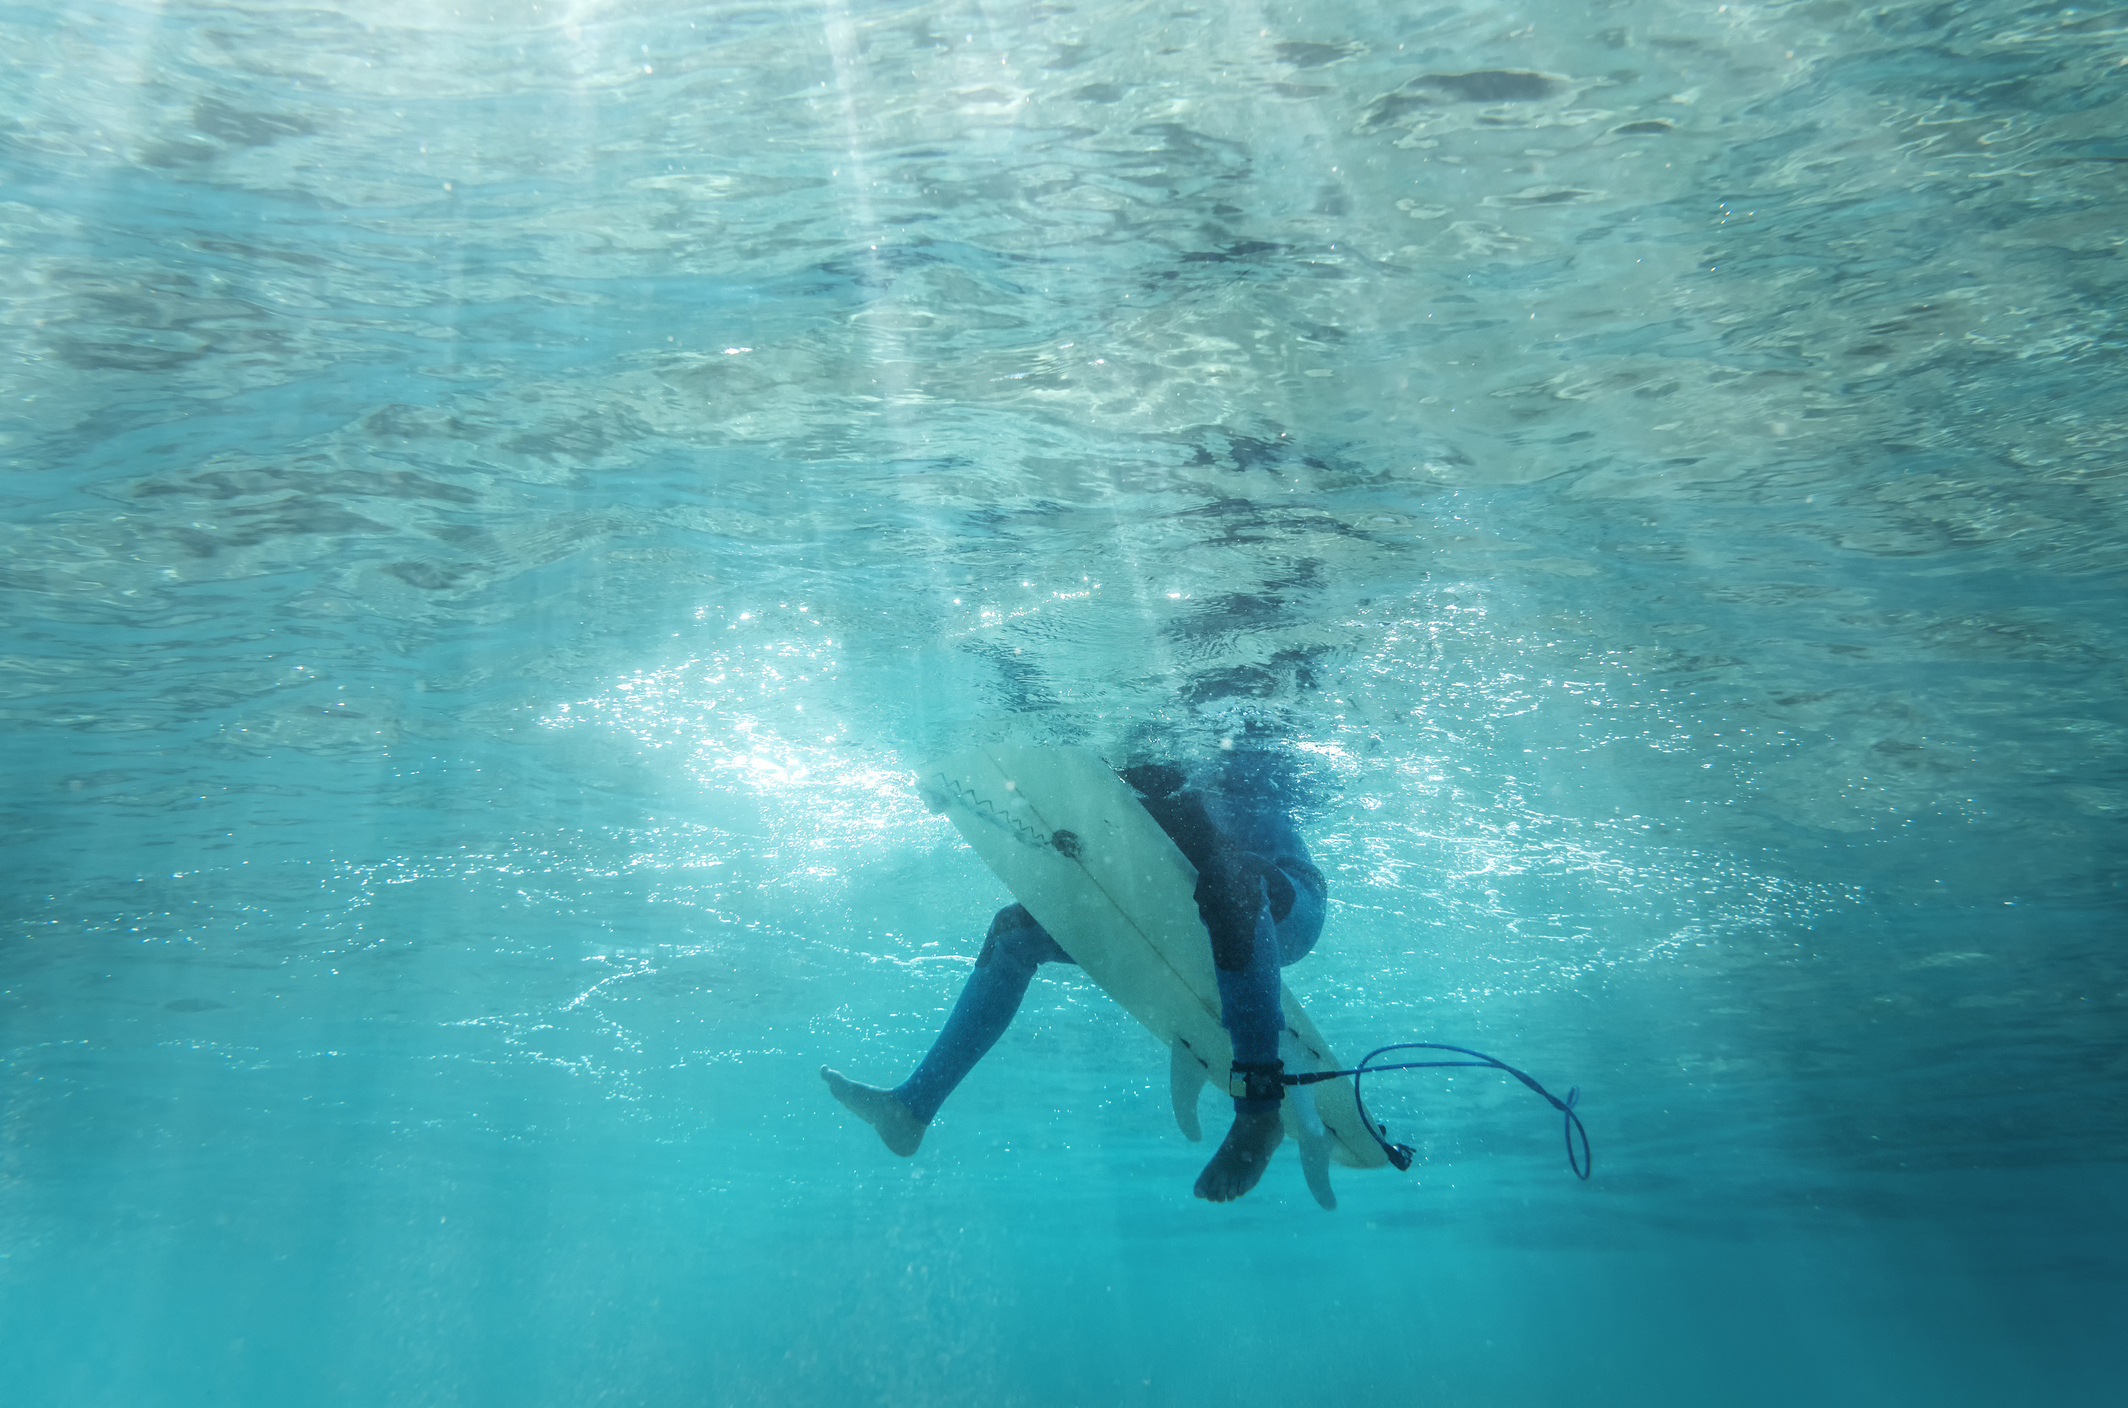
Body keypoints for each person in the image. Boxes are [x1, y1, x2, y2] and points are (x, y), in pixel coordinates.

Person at [821, 746, 1327, 1203]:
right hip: (1170, 902)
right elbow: (1053, 799)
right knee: (1013, 932)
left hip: (1281, 898)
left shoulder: (1218, 744)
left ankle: (1259, 1109)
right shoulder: (1116, 751)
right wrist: (956, 794)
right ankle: (911, 1109)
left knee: (1230, 876)